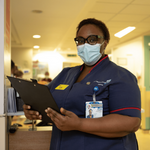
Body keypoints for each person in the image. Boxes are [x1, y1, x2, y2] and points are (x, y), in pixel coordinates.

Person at [23, 18, 141, 150]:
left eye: (92, 39)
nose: (85, 45)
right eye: (80, 40)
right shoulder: (66, 74)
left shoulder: (120, 76)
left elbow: (131, 122)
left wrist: (79, 124)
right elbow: (46, 101)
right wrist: (34, 111)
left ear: (104, 43)